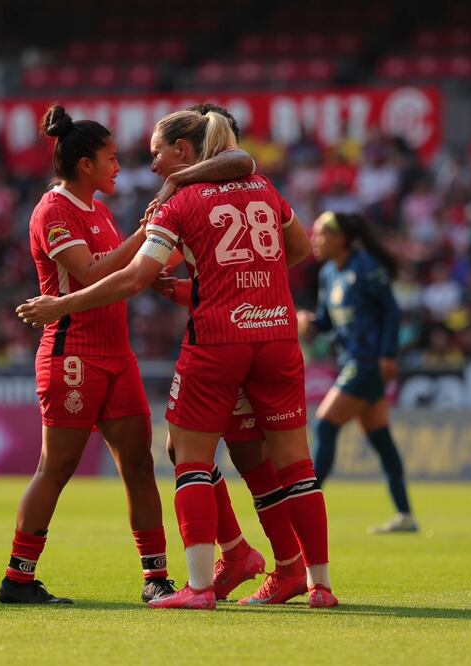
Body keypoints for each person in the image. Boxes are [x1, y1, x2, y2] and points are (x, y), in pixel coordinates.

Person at [17, 110, 337, 610]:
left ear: (184, 152)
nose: (141, 167)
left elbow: (132, 275)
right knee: (281, 464)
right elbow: (286, 249)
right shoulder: (260, 185)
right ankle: (307, 579)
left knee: (183, 456)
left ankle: (200, 581)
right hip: (267, 334)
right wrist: (210, 280)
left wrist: (170, 256)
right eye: (116, 157)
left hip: (210, 344)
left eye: (154, 155)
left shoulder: (175, 201)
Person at [150, 103, 308, 605]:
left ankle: (275, 560)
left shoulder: (207, 190)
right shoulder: (232, 191)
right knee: (233, 454)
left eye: (158, 155)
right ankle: (256, 555)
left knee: (230, 456)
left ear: (188, 148)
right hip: (252, 335)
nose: (153, 165)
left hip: (229, 341)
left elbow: (241, 162)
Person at [298, 211, 418, 534]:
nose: (315, 239)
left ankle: (305, 509)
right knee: (380, 440)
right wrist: (309, 322)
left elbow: (391, 312)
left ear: (341, 238)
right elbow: (326, 322)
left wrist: (389, 355)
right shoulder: (328, 275)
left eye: (322, 233)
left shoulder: (367, 268)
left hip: (366, 362)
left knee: (324, 425)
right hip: (350, 360)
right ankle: (405, 516)